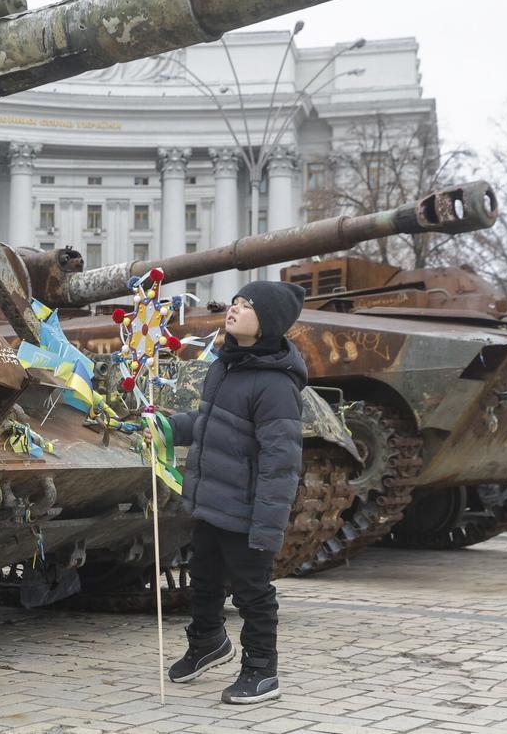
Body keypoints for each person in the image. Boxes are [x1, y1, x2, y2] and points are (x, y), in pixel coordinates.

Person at [166, 280, 307, 704]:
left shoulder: (275, 386)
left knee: (252, 591)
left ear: (268, 323)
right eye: (235, 302)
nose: (234, 308)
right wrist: (169, 425)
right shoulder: (224, 367)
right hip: (212, 502)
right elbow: (211, 423)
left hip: (247, 510)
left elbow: (281, 463)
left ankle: (262, 670)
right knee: (204, 577)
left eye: (246, 306)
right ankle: (208, 641)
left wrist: (267, 528)